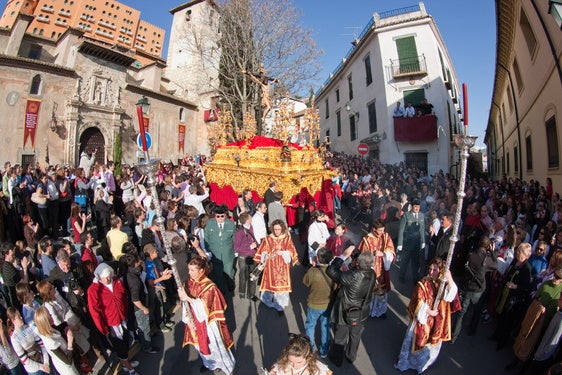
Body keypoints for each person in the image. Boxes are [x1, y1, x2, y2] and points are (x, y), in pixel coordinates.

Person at [395, 258, 459, 374]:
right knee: (416, 341)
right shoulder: (423, 283)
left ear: (440, 271)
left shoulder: (442, 283)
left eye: (435, 269)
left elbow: (450, 297)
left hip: (437, 320)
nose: (431, 272)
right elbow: (417, 301)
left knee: (430, 346)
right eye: (430, 269)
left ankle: (422, 365)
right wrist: (428, 311)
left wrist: (449, 278)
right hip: (423, 319)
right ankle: (409, 362)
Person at [178, 257, 235, 374]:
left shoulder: (210, 286)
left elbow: (204, 308)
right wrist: (187, 317)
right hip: (193, 320)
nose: (189, 273)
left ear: (201, 270)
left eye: (192, 270)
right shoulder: (189, 283)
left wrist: (187, 297)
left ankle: (221, 364)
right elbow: (185, 303)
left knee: (213, 346)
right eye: (189, 270)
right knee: (199, 346)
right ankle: (208, 363)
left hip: (208, 323)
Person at [326, 246, 374, 367]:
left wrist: (344, 255)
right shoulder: (372, 273)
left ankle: (337, 359)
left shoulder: (352, 276)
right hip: (362, 312)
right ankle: (350, 356)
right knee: (355, 336)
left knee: (340, 337)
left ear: (358, 263)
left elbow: (331, 270)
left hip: (345, 311)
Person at [87, 263, 139, 375]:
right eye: (104, 277)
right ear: (98, 277)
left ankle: (126, 363)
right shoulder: (93, 290)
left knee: (126, 342)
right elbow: (95, 312)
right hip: (111, 324)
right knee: (120, 346)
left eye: (109, 275)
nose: (108, 279)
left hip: (122, 319)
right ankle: (129, 368)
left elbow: (123, 297)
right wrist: (103, 329)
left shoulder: (116, 281)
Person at [451, 235, 497, 342]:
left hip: (468, 286)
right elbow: (496, 265)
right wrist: (493, 252)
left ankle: (454, 335)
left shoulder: (471, 255)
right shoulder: (487, 259)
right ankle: (472, 330)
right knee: (476, 310)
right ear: (488, 247)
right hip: (479, 289)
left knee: (461, 312)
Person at [491, 242, 533, 350]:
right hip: (505, 292)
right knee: (501, 315)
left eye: (520, 252)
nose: (518, 253)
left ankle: (502, 341)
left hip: (513, 298)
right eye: (518, 251)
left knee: (507, 320)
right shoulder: (515, 261)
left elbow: (526, 287)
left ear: (526, 255)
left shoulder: (526, 269)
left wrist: (516, 286)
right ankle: (496, 335)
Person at [253, 219, 299, 315]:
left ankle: (280, 306)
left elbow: (291, 251)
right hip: (271, 265)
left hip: (282, 266)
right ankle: (269, 302)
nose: (277, 231)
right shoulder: (268, 238)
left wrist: (283, 252)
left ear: (282, 229)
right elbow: (263, 250)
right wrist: (266, 255)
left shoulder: (287, 238)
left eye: (279, 229)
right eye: (275, 229)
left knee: (281, 288)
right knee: (270, 285)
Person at [357, 218, 395, 318]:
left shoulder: (386, 236)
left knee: (382, 291)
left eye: (383, 230)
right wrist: (373, 254)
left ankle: (381, 310)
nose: (382, 232)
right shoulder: (367, 239)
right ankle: (369, 311)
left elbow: (391, 249)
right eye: (380, 230)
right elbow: (363, 255)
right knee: (370, 290)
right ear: (374, 229)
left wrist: (384, 253)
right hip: (371, 268)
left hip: (382, 267)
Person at [303, 247, 336, 358]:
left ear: (317, 258)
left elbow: (305, 282)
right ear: (331, 258)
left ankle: (311, 349)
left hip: (313, 304)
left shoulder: (312, 271)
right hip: (328, 304)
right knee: (325, 326)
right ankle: (324, 350)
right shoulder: (334, 271)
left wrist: (312, 267)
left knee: (310, 326)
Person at [33, 306, 80, 375]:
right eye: (49, 315)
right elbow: (68, 361)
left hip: (70, 364)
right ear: (46, 321)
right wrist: (70, 342)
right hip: (67, 369)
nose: (52, 316)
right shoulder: (50, 341)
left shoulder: (51, 330)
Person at [7, 307, 50, 375]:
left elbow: (41, 344)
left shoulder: (27, 327)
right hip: (34, 370)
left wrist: (46, 362)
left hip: (44, 362)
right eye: (18, 317)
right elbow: (24, 359)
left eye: (20, 315)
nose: (21, 317)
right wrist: (42, 367)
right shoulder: (14, 338)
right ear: (13, 320)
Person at [205, 205, 236, 294]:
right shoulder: (210, 223)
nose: (220, 218)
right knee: (218, 273)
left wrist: (235, 250)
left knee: (228, 271)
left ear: (225, 215)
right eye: (217, 216)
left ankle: (230, 285)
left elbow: (234, 238)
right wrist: (208, 251)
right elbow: (206, 238)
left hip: (228, 253)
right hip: (215, 253)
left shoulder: (230, 224)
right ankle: (221, 291)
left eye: (222, 216)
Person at [397, 198, 425, 283]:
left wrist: (423, 241)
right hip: (407, 243)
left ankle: (415, 278)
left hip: (417, 244)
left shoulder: (421, 215)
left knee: (415, 262)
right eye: (415, 206)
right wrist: (400, 243)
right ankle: (401, 276)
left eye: (418, 207)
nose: (417, 208)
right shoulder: (406, 215)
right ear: (412, 206)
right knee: (405, 261)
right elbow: (401, 230)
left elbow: (422, 229)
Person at [233, 212, 259, 300]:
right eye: (250, 217)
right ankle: (242, 293)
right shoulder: (239, 232)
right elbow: (236, 248)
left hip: (252, 255)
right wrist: (249, 247)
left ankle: (251, 294)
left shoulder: (251, 227)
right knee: (243, 276)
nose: (252, 217)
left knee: (253, 276)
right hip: (243, 257)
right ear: (247, 220)